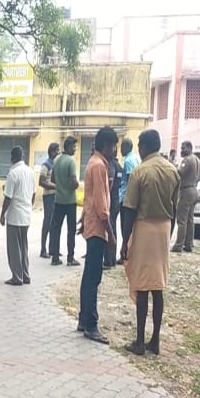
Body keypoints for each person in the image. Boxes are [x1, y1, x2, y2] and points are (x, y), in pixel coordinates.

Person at [121, 129, 180, 356]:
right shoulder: (172, 170)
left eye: (139, 144)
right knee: (158, 285)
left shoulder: (140, 171)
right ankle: (155, 340)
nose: (138, 148)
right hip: (164, 228)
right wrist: (170, 231)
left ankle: (139, 340)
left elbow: (130, 209)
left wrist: (125, 241)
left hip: (144, 227)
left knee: (142, 284)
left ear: (145, 146)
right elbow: (174, 208)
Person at [78, 127, 118, 344]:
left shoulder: (93, 163)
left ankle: (83, 320)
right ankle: (91, 325)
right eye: (113, 146)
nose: (114, 150)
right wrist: (111, 236)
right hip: (98, 228)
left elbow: (90, 199)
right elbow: (102, 205)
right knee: (93, 277)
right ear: (105, 144)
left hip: (92, 224)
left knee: (89, 276)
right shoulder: (100, 166)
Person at [0, 147, 35, 286]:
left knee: (14, 248)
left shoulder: (13, 173)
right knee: (24, 246)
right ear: (23, 156)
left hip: (14, 215)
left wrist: (2, 215)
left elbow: (8, 197)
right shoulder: (30, 172)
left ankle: (17, 277)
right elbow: (33, 194)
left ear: (12, 158)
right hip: (26, 215)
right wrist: (28, 208)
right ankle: (25, 275)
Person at [49, 136, 81, 266]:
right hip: (70, 201)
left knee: (56, 229)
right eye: (74, 147)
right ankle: (70, 258)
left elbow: (53, 179)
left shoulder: (56, 160)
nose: (75, 149)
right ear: (68, 147)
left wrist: (61, 185)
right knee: (71, 230)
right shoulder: (71, 161)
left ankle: (55, 257)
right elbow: (74, 181)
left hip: (58, 200)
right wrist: (75, 185)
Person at [171, 141, 200, 253]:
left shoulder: (187, 160)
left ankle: (178, 245)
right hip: (194, 190)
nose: (181, 151)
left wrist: (173, 165)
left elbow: (180, 172)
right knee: (190, 220)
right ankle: (189, 244)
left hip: (186, 191)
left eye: (183, 148)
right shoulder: (198, 160)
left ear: (189, 148)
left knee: (182, 220)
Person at [117, 138, 141, 264]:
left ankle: (125, 254)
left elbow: (131, 179)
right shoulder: (137, 158)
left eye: (121, 147)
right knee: (132, 228)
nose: (120, 150)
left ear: (126, 147)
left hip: (126, 199)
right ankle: (130, 253)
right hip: (133, 198)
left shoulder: (128, 161)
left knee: (125, 228)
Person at [103, 152, 123, 269]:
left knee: (109, 229)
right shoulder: (119, 165)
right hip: (116, 199)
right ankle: (112, 259)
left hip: (111, 199)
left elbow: (110, 182)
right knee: (113, 228)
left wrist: (105, 195)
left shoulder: (110, 165)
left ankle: (108, 260)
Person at [39, 142, 59, 258]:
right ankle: (43, 249)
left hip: (55, 196)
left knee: (54, 223)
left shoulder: (55, 164)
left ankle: (52, 248)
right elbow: (41, 182)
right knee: (47, 222)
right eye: (57, 151)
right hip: (48, 196)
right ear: (52, 152)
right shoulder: (46, 165)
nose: (58, 153)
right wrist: (55, 186)